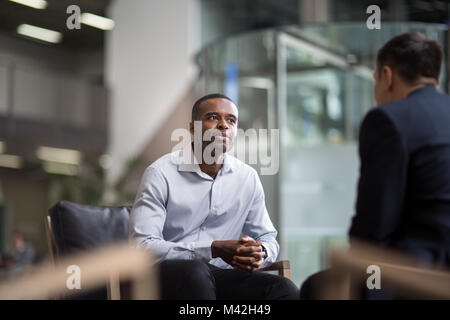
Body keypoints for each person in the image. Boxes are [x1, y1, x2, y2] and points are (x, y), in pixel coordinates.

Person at [300, 33, 450, 299]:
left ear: (387, 76)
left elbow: (375, 223)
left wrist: (352, 263)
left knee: (315, 286)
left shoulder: (388, 120)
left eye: (374, 80)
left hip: (419, 273)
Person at [129, 93, 299, 300]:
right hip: (167, 277)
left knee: (284, 289)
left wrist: (259, 253)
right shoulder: (160, 173)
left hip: (222, 277)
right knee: (195, 272)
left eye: (231, 120)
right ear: (193, 129)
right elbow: (143, 246)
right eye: (212, 117)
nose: (223, 126)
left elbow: (267, 238)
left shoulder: (247, 178)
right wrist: (213, 249)